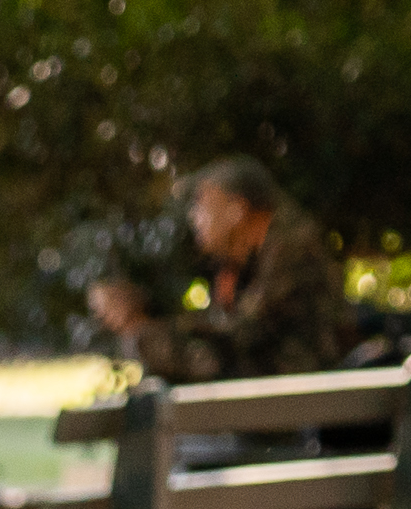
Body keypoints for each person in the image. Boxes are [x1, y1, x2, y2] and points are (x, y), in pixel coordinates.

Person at [88, 158, 351, 381]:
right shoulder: (240, 263)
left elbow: (240, 335)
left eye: (202, 205)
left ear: (236, 210)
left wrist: (144, 329)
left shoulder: (292, 248)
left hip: (301, 390)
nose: (194, 217)